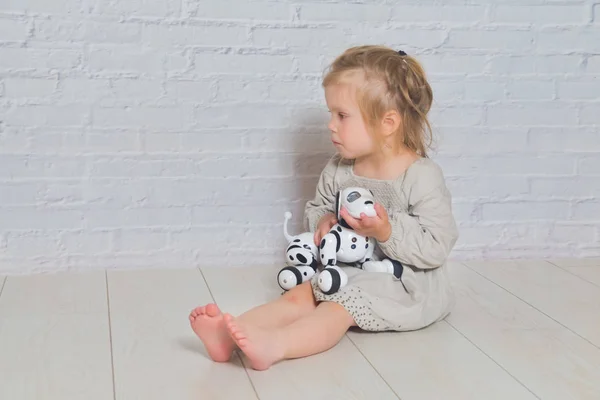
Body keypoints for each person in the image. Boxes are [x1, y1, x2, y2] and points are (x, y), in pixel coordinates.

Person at [189, 45, 459, 371]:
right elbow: (317, 209)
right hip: (348, 271)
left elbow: (436, 246)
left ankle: (276, 345)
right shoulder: (340, 169)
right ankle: (226, 337)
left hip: (404, 283)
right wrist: (324, 221)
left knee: (336, 308)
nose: (331, 125)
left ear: (388, 123)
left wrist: (385, 231)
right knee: (300, 295)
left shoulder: (420, 176)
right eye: (331, 113)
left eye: (342, 116)